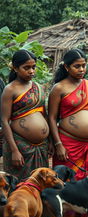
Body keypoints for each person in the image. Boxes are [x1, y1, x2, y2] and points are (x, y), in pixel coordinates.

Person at [48, 49, 88, 217]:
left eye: (84, 65)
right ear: (66, 67)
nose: (82, 69)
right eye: (77, 66)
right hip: (68, 143)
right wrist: (57, 144)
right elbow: (51, 117)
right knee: (69, 182)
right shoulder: (59, 88)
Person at [1, 49, 49, 181]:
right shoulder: (10, 89)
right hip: (20, 145)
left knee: (41, 183)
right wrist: (14, 150)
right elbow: (4, 121)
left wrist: (49, 141)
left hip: (41, 145)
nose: (31, 71)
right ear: (15, 68)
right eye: (26, 68)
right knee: (20, 185)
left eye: (33, 67)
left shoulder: (38, 87)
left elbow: (44, 114)